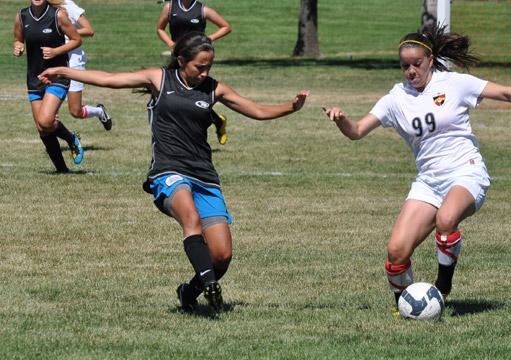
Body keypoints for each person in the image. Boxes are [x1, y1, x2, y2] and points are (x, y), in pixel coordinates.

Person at [39, 32, 309, 313]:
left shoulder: (215, 89)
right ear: (181, 61)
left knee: (221, 255)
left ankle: (189, 292)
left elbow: (256, 110)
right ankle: (210, 286)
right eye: (199, 67)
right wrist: (62, 70)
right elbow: (109, 78)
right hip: (168, 171)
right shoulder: (159, 79)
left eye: (209, 67)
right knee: (190, 217)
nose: (205, 73)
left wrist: (291, 107)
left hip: (204, 175)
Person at [323, 24, 511, 313]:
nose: (411, 71)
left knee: (446, 219)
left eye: (416, 64)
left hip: (466, 173)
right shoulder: (395, 99)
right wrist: (341, 119)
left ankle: (443, 286)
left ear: (430, 60)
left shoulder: (454, 83)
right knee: (396, 253)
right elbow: (356, 131)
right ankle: (407, 307)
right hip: (429, 182)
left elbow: (505, 92)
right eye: (405, 66)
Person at [14, 0, 83, 173]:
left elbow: (77, 39)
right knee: (42, 128)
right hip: (34, 77)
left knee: (45, 120)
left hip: (57, 75)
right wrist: (18, 46)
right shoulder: (21, 16)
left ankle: (71, 138)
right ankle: (62, 170)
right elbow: (18, 39)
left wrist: (56, 51)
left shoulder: (58, 15)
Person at [156, 0, 232, 145]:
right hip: (178, 59)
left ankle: (214, 122)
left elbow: (226, 27)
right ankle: (215, 120)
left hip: (195, 63)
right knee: (171, 93)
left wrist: (207, 40)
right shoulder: (170, 7)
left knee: (194, 96)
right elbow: (160, 28)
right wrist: (171, 44)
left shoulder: (203, 10)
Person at [47, 0, 112, 131]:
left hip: (73, 62)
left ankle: (99, 112)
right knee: (48, 110)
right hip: (53, 61)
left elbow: (89, 30)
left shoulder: (68, 5)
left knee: (75, 111)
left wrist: (67, 31)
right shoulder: (42, 8)